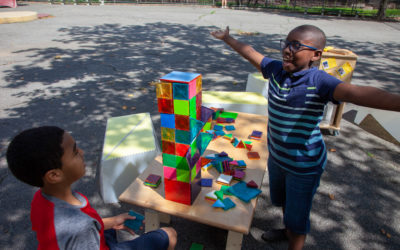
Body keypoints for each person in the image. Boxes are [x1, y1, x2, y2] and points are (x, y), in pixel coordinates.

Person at [211, 25, 400, 250]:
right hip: (278, 158)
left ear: (316, 55)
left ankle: (294, 238)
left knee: (298, 216)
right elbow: (251, 52)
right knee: (283, 202)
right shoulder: (276, 70)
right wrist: (228, 38)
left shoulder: (319, 81)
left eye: (296, 46)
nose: (288, 50)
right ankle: (287, 229)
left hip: (304, 166)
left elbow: (355, 93)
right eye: (287, 43)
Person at [6, 126, 177, 250]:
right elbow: (82, 231)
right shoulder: (80, 226)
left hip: (93, 239)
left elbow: (81, 230)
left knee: (127, 232)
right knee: (169, 234)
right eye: (74, 152)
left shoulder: (41, 198)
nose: (82, 152)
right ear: (54, 175)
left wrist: (113, 221)